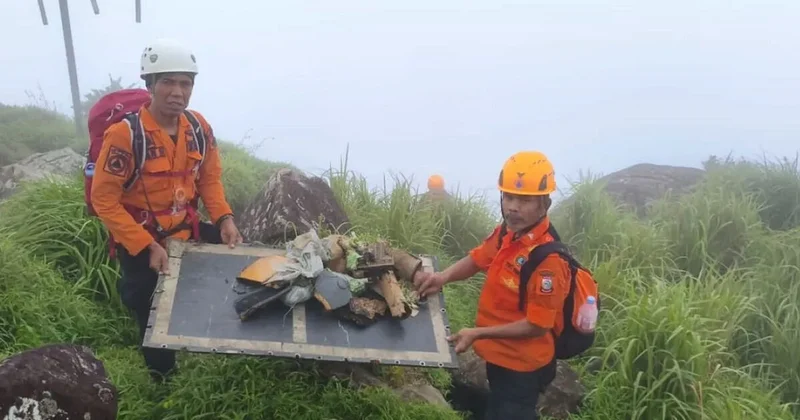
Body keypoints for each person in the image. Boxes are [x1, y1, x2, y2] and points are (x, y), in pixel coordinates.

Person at [91, 38, 242, 382]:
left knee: (226, 270)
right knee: (149, 310)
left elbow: (209, 180)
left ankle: (211, 348)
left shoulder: (199, 128)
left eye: (185, 83)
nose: (178, 91)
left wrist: (224, 219)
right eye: (168, 82)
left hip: (185, 230)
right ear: (150, 85)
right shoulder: (125, 136)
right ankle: (163, 382)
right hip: (141, 240)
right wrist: (146, 245)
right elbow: (105, 200)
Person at [414, 151, 567, 420]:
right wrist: (442, 277)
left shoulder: (548, 260)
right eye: (508, 197)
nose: (513, 207)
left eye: (524, 200)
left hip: (523, 367)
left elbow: (537, 325)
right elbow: (477, 258)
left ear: (545, 204)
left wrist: (478, 334)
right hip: (500, 358)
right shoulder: (507, 234)